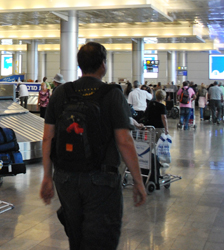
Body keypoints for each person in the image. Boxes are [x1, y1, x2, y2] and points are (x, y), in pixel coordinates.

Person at [39, 42, 146, 250]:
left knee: (76, 239)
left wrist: (46, 176)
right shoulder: (112, 94)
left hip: (66, 178)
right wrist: (138, 181)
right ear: (103, 65)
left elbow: (47, 138)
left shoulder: (61, 93)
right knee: (101, 240)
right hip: (102, 180)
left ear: (80, 65)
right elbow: (124, 141)